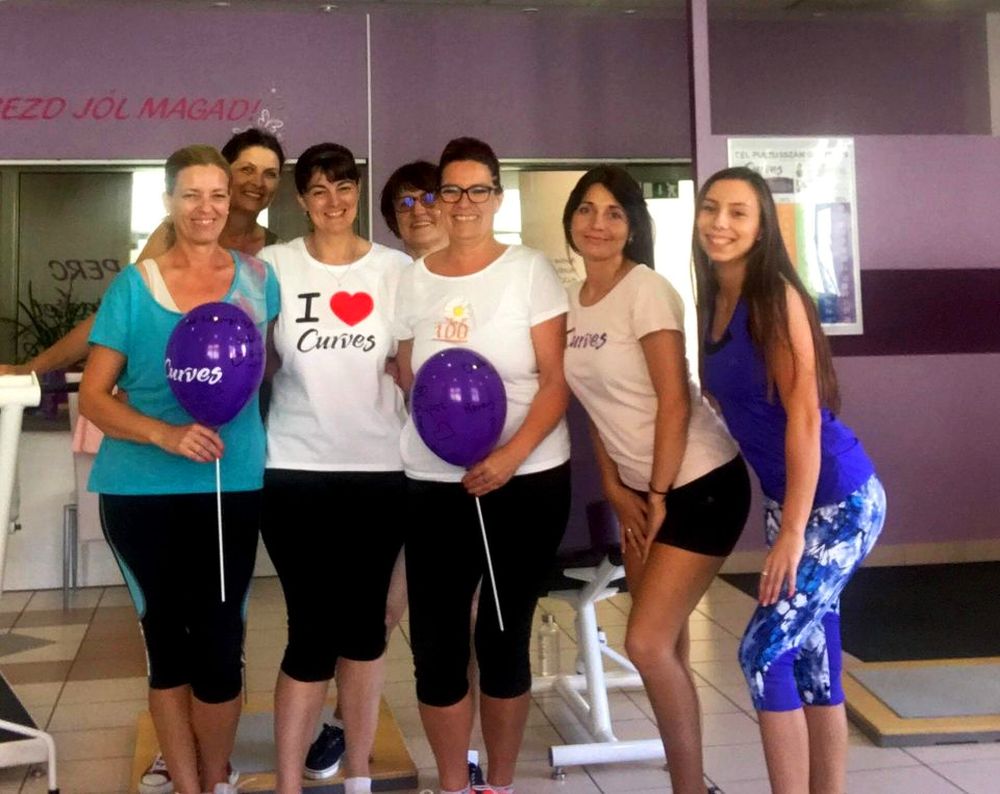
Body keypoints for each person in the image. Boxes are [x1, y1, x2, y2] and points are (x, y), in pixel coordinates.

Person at [78, 145, 280, 794]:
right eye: (191, 195)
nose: (206, 208)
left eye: (217, 195)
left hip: (230, 484)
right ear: (169, 202)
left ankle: (215, 777)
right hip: (140, 491)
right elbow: (94, 397)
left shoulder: (259, 280)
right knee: (168, 648)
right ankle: (188, 784)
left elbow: (265, 370)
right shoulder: (133, 287)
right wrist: (165, 433)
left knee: (220, 649)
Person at [694, 167, 886, 794]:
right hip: (790, 500)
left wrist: (793, 532)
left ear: (762, 228)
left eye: (738, 212)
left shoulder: (773, 298)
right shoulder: (712, 299)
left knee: (762, 652)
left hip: (839, 501)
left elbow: (803, 416)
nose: (720, 223)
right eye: (711, 208)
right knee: (813, 665)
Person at [561, 166, 749, 794]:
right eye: (586, 210)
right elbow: (595, 408)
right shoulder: (573, 302)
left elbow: (674, 401)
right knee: (663, 648)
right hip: (644, 490)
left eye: (614, 212)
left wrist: (659, 493)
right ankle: (688, 782)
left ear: (633, 226)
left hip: (700, 483)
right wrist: (617, 490)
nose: (598, 223)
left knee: (645, 643)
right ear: (571, 220)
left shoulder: (647, 290)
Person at [394, 137, 571, 794]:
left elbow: (555, 382)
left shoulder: (529, 270)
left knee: (502, 638)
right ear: (439, 198)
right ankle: (451, 784)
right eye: (451, 190)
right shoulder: (414, 277)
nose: (463, 203)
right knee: (436, 645)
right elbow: (408, 374)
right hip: (432, 482)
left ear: (497, 197)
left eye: (478, 190)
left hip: (523, 481)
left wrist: (507, 458)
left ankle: (497, 784)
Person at [258, 143, 412, 794]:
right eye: (318, 190)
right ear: (301, 200)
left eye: (344, 187)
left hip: (379, 470)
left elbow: (410, 367)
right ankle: (289, 783)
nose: (333, 201)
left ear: (357, 192)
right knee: (310, 633)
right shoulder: (275, 266)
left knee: (367, 630)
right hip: (293, 470)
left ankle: (358, 775)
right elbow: (254, 359)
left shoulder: (395, 269)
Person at [0, 128, 284, 377]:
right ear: (224, 174)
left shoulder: (276, 253)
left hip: (248, 402)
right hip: (158, 396)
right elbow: (114, 317)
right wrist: (31, 369)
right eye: (247, 169)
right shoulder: (171, 234)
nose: (258, 182)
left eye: (270, 174)